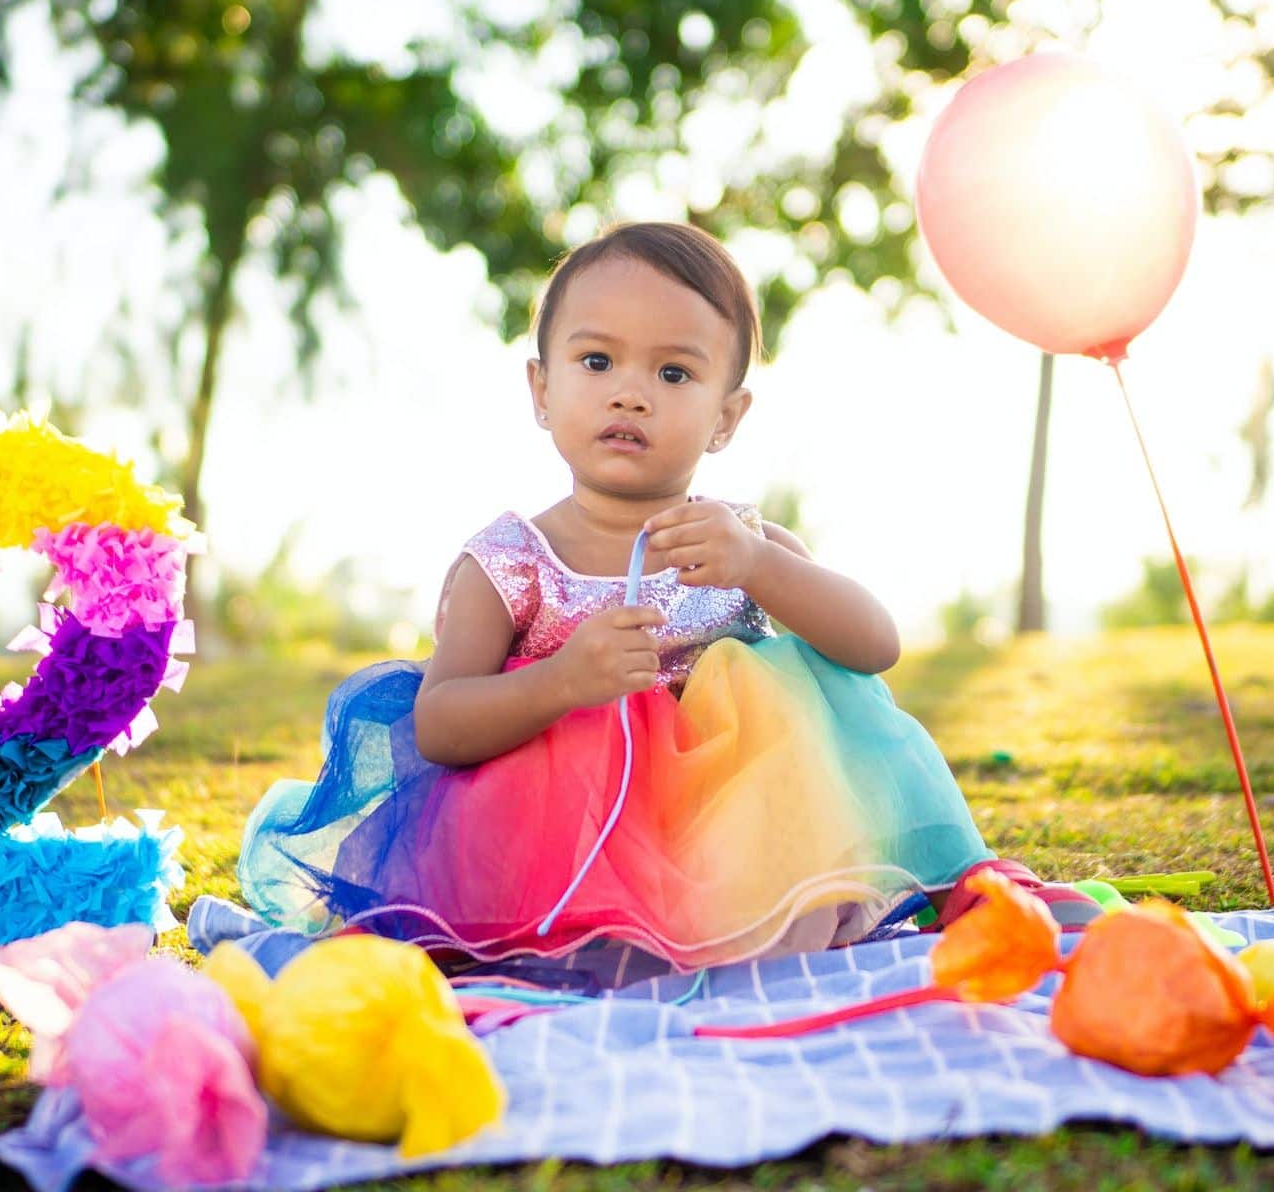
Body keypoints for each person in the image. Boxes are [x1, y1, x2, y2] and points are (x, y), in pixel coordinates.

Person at [238, 221, 1012, 971]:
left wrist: (759, 566)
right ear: (541, 389)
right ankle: (600, 946)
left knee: (780, 695)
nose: (631, 395)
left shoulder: (740, 543)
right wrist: (562, 681)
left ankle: (759, 930)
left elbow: (873, 647)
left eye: (674, 374)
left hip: (719, 850)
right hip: (556, 852)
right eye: (597, 361)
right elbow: (439, 725)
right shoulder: (509, 564)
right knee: (568, 898)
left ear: (726, 418)